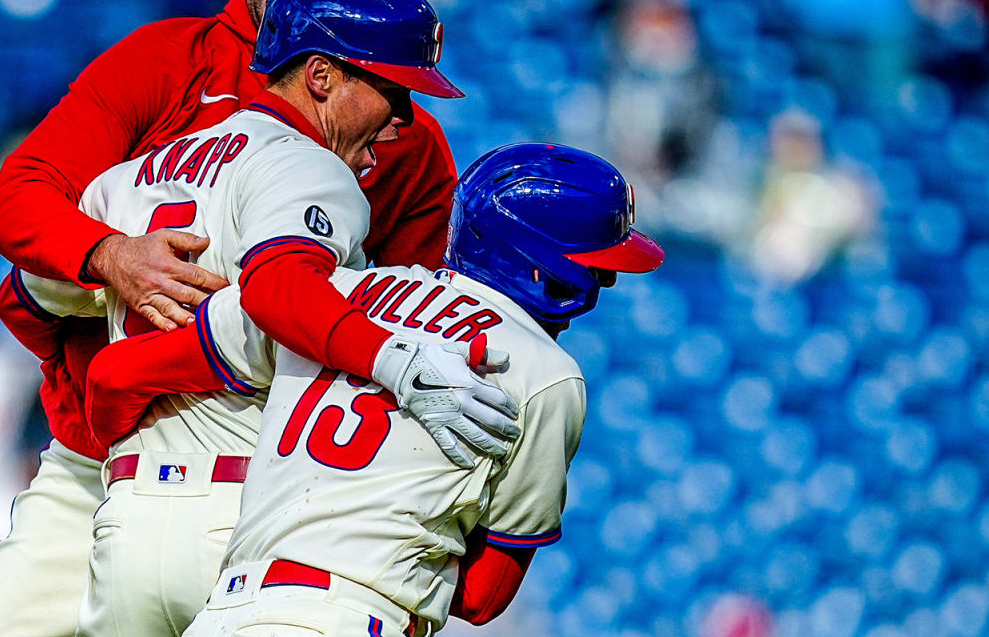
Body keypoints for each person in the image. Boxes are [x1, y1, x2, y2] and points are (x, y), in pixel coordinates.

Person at [0, 0, 467, 634]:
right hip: (99, 465)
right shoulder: (165, 59)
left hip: (262, 469)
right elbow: (22, 203)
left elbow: (390, 318)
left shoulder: (405, 144)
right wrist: (109, 255)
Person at [86, 143, 665, 635]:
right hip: (359, 616)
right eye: (596, 265)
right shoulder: (546, 373)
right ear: (543, 269)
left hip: (229, 611)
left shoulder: (330, 293)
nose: (608, 278)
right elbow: (482, 600)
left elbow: (115, 375)